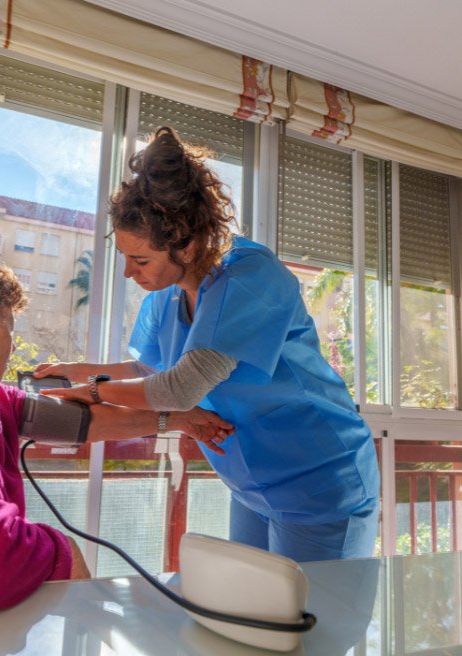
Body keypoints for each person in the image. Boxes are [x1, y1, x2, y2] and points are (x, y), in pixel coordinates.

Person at [35, 126, 380, 563]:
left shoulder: (249, 276)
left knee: (315, 607)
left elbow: (179, 389)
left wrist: (95, 392)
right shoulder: (168, 294)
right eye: (125, 257)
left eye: (140, 260)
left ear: (187, 243)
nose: (128, 273)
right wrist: (82, 371)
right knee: (251, 600)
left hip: (318, 478)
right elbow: (152, 369)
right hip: (250, 483)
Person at [0, 253, 233, 612]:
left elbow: (85, 422)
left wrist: (176, 419)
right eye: (9, 328)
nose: (12, 344)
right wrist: (63, 550)